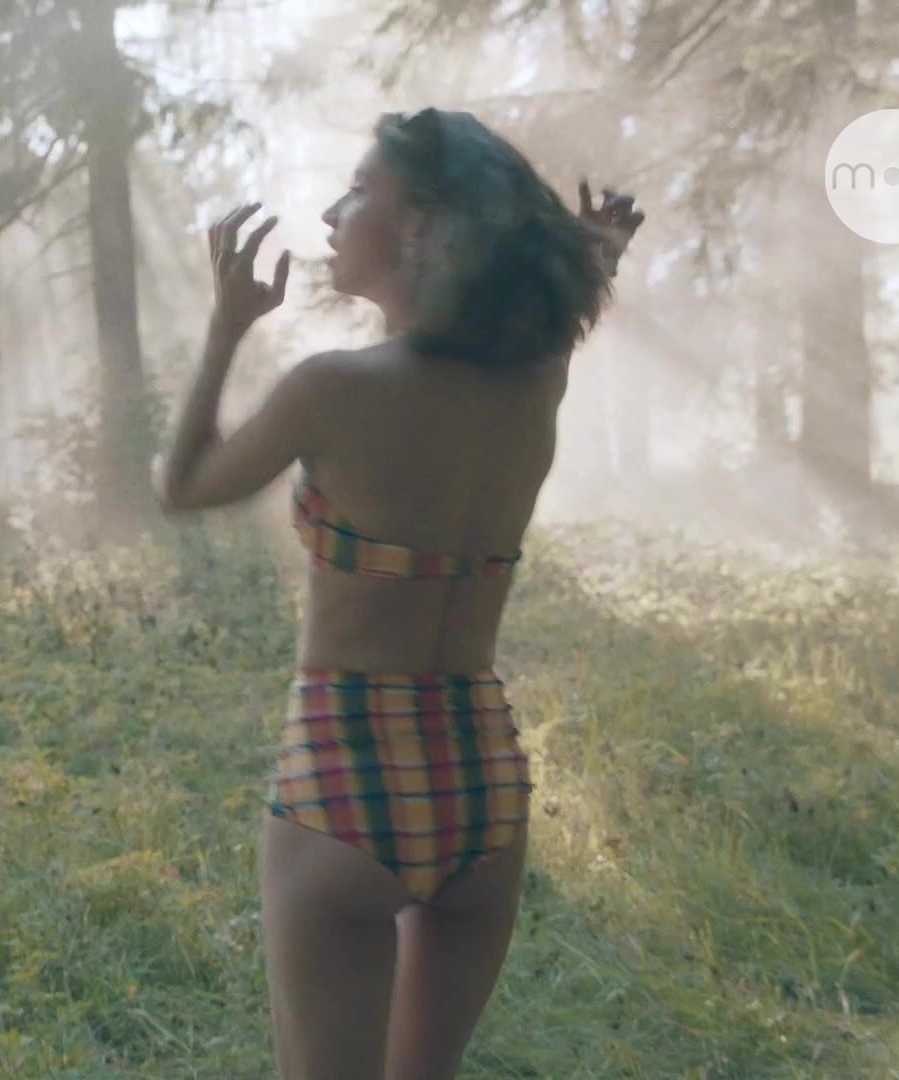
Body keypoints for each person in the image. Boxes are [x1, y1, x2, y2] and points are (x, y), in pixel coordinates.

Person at [156, 107, 645, 1079]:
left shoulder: (333, 388)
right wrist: (595, 254)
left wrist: (226, 325)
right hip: (482, 785)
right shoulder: (534, 382)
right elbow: (558, 318)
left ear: (422, 226)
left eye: (359, 192)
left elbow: (185, 486)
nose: (333, 215)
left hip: (346, 774)